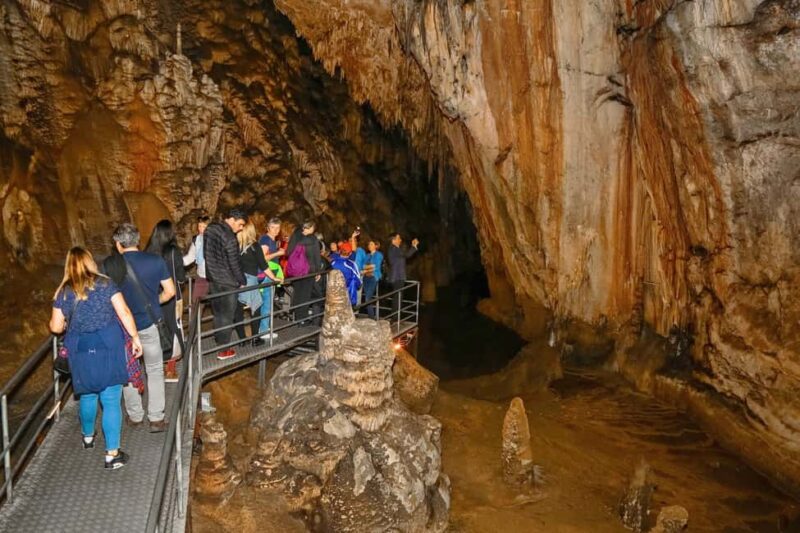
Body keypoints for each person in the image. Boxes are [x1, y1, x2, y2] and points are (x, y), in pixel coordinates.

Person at [50, 247, 142, 469]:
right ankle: (112, 454)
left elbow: (55, 327)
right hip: (109, 346)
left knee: (87, 395)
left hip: (80, 349)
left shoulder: (63, 292)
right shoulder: (106, 283)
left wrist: (65, 322)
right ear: (90, 262)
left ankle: (88, 437)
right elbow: (124, 312)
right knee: (111, 400)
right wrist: (135, 337)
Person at [110, 223, 176, 433]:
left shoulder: (110, 265)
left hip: (124, 329)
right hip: (149, 324)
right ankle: (156, 418)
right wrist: (154, 303)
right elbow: (170, 292)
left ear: (118, 244)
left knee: (129, 370)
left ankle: (135, 415)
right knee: (155, 370)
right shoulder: (155, 261)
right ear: (137, 241)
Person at [204, 208, 247, 360]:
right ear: (232, 219)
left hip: (213, 279)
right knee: (227, 316)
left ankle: (219, 340)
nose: (240, 228)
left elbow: (205, 254)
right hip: (228, 282)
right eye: (240, 224)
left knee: (218, 313)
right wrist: (242, 280)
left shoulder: (210, 229)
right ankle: (224, 350)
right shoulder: (230, 237)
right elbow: (234, 264)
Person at [146, 220, 186, 382]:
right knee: (173, 329)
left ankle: (156, 367)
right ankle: (170, 369)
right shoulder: (173, 251)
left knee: (157, 329)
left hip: (152, 296)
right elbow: (181, 277)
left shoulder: (148, 252)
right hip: (171, 296)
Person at [236, 223, 272, 346]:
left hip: (236, 280)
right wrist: (274, 277)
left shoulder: (235, 246)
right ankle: (255, 339)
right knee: (256, 307)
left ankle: (242, 340)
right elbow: (264, 266)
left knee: (238, 309)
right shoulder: (255, 246)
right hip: (250, 280)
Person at [286, 220, 322, 326]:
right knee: (305, 296)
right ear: (310, 228)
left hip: (296, 271)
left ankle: (296, 318)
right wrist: (318, 272)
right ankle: (302, 319)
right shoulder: (313, 239)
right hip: (308, 271)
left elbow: (288, 252)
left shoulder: (295, 236)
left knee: (298, 294)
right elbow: (316, 256)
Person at [258, 217, 285, 337]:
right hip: (266, 274)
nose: (275, 230)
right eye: (273, 227)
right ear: (268, 228)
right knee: (267, 303)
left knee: (267, 302)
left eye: (277, 228)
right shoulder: (265, 239)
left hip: (270, 272)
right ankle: (263, 331)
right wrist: (278, 253)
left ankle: (264, 327)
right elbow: (263, 258)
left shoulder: (272, 240)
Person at [387, 232, 419, 320]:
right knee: (398, 297)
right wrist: (414, 246)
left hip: (397, 276)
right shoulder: (394, 249)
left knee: (397, 297)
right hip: (398, 276)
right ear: (393, 240)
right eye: (398, 238)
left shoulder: (394, 249)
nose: (400, 240)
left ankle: (395, 317)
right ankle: (395, 318)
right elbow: (407, 255)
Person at [183, 215, 210, 304]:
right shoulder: (197, 240)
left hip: (215, 277)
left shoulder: (215, 240)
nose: (201, 229)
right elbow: (190, 257)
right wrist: (177, 262)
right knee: (196, 301)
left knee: (217, 303)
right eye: (199, 226)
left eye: (204, 227)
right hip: (201, 275)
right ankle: (195, 318)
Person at [330, 242, 362, 306]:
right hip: (348, 297)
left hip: (334, 296)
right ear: (350, 253)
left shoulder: (332, 262)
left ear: (340, 251)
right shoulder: (352, 264)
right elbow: (358, 281)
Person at [362, 239, 383, 318]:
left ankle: (371, 317)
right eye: (369, 244)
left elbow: (376, 266)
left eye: (371, 244)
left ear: (376, 246)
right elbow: (362, 266)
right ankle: (371, 315)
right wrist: (370, 266)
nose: (369, 246)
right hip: (366, 278)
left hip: (373, 277)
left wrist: (367, 267)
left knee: (368, 298)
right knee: (368, 297)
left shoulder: (379, 255)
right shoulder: (367, 255)